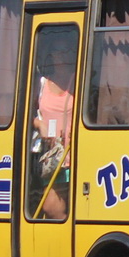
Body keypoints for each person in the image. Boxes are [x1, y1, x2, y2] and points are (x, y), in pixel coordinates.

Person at [33, 40, 76, 219]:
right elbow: (23, 113)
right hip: (53, 156)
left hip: (75, 153)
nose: (63, 56)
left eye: (67, 51)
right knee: (52, 207)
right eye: (59, 52)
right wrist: (39, 124)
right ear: (51, 56)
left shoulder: (79, 79)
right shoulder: (41, 84)